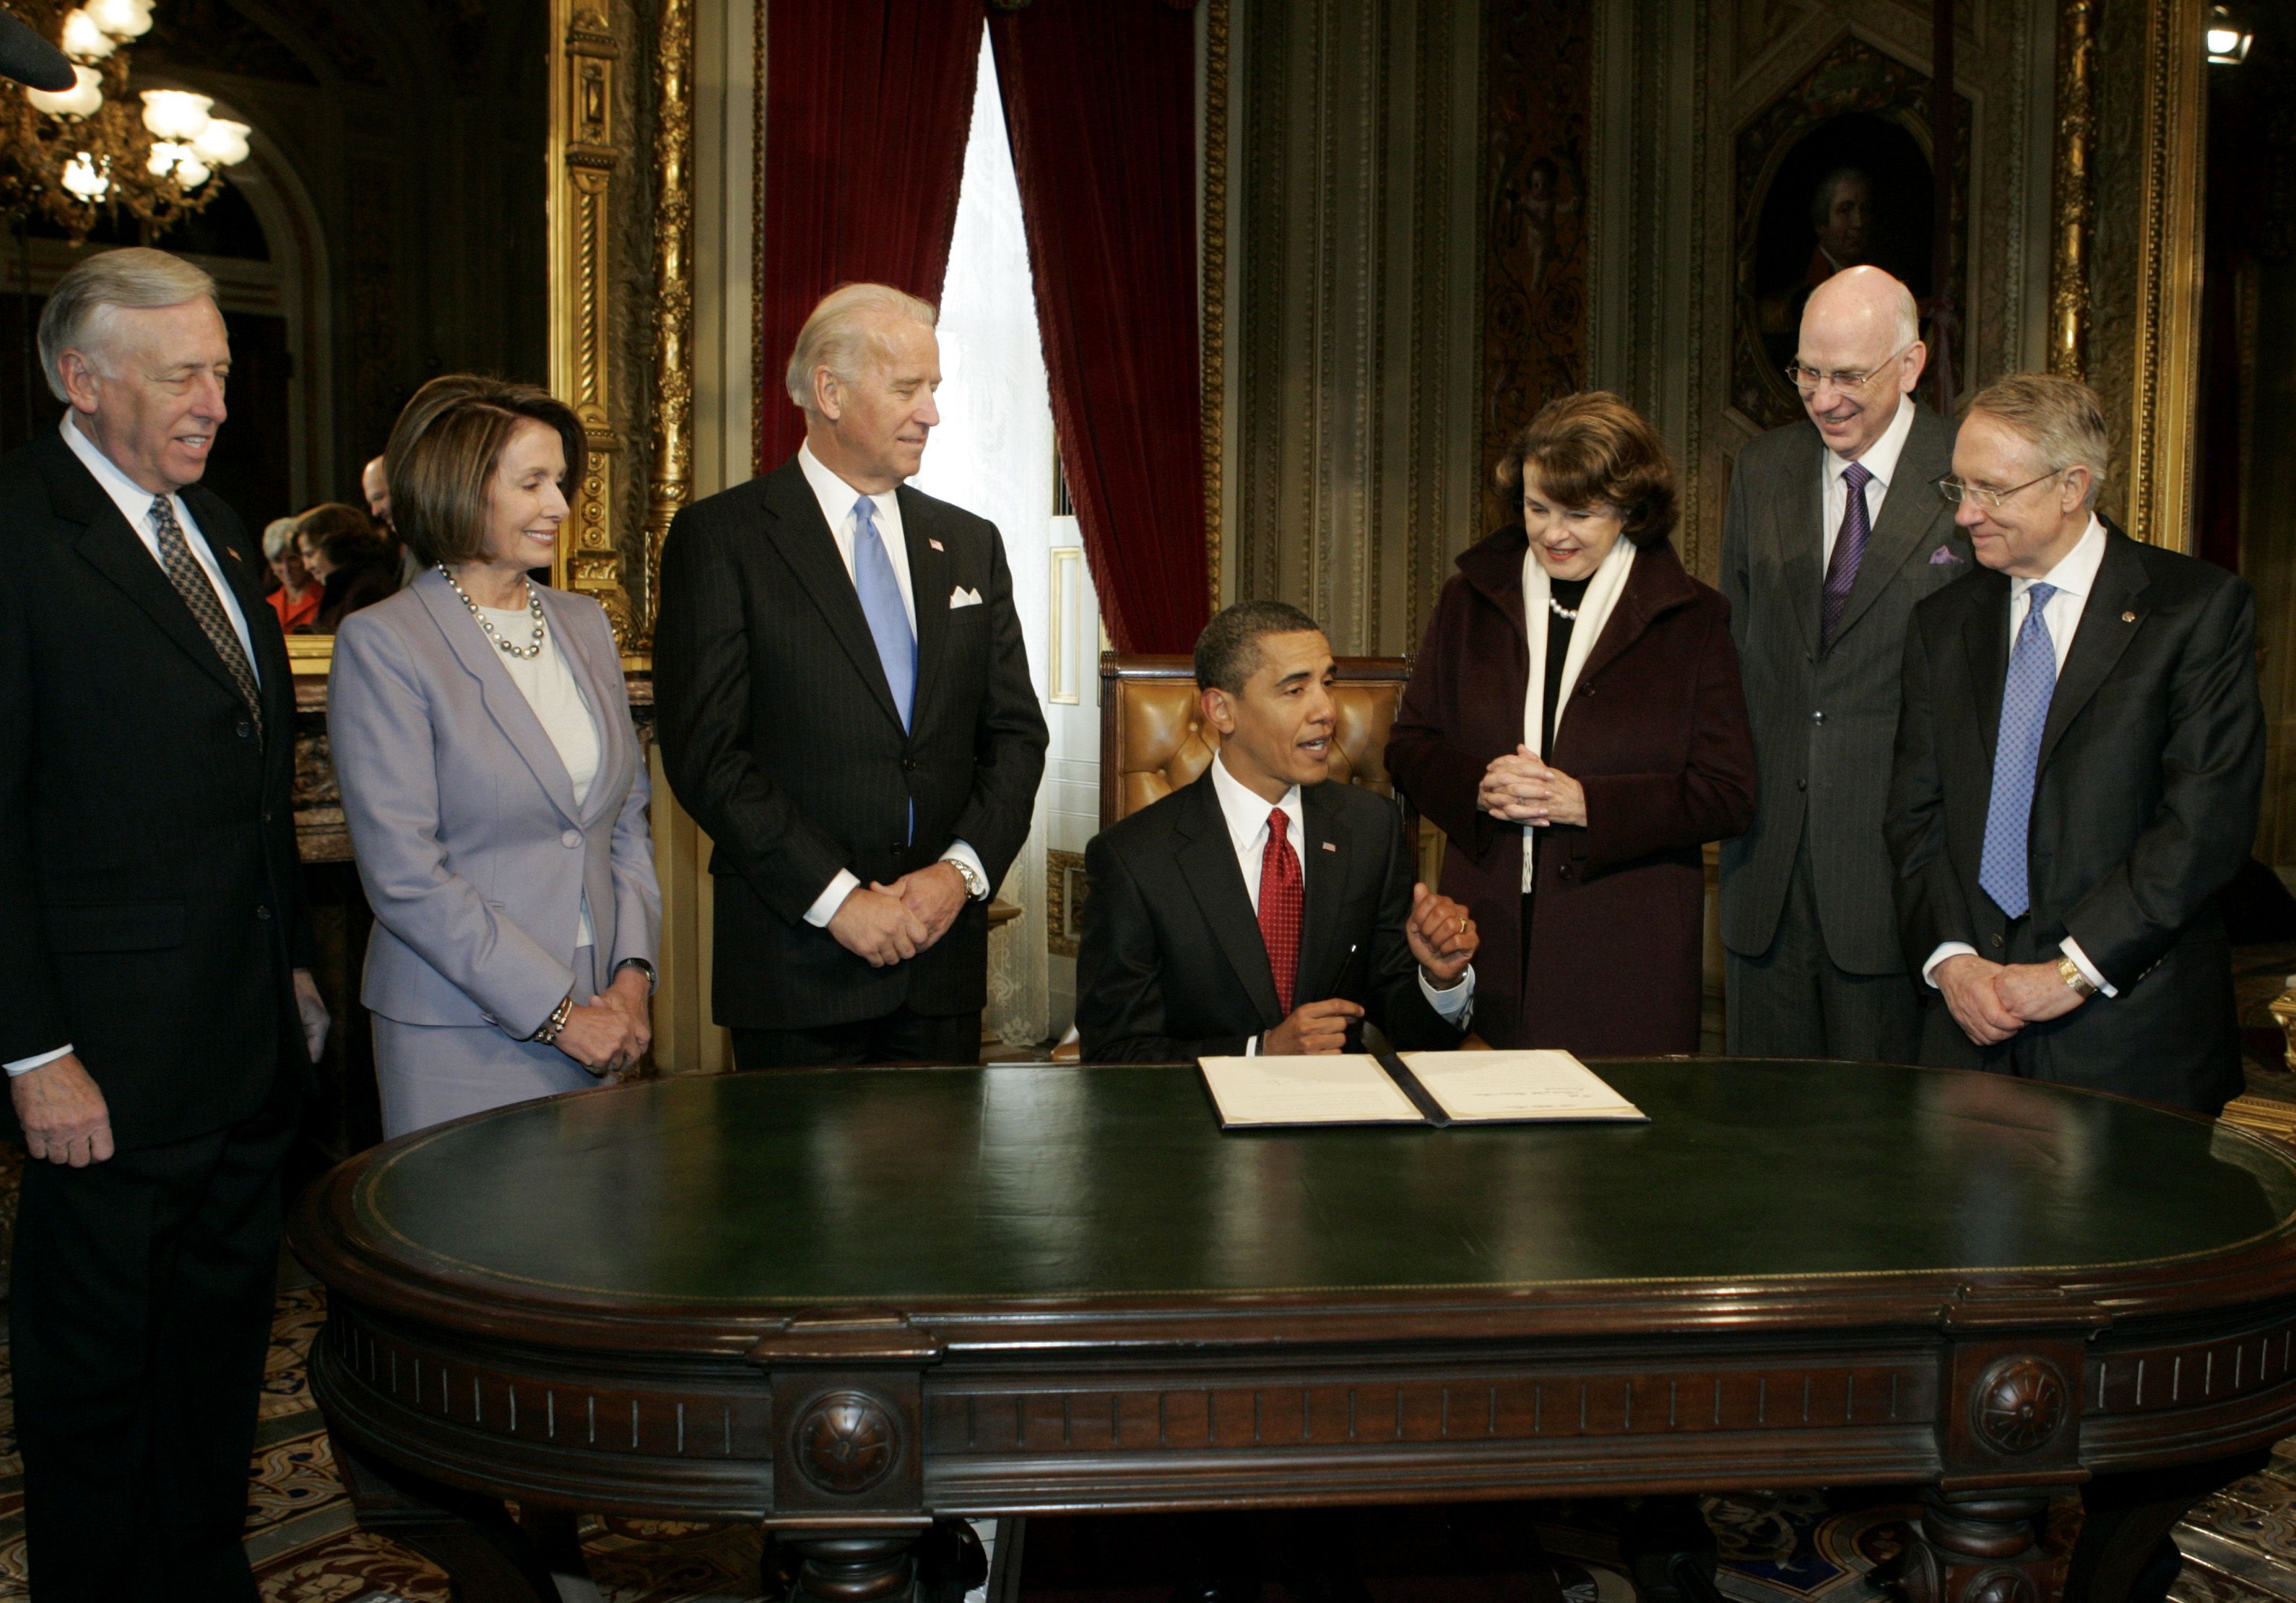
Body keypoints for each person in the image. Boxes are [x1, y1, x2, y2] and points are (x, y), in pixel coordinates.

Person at [0, 246, 327, 1601]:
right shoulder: (17, 533)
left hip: (239, 1047)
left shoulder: (220, 524)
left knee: (210, 1371)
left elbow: (248, 789)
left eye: (224, 371)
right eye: (182, 372)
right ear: (84, 380)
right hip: (104, 1066)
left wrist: (294, 968)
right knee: (93, 1394)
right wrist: (32, 1055)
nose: (214, 399)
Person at [654, 283, 1047, 1069]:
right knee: (795, 1198)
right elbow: (708, 756)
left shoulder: (970, 544)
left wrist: (959, 875)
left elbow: (1014, 736)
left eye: (933, 389)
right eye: (908, 389)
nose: (930, 413)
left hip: (939, 967)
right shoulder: (723, 538)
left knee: (942, 1198)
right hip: (794, 971)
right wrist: (838, 901)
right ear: (828, 393)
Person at [1886, 373, 2263, 1116]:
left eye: (1991, 490)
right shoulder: (1941, 623)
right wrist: (1953, 963)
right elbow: (1912, 815)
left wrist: (2069, 971)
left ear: (2071, 487)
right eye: (1955, 487)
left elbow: (2200, 826)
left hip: (2133, 1043)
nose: (1964, 514)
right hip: (1968, 1040)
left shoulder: (2192, 610)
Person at [329, 374, 659, 1139]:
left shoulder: (583, 625)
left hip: (610, 1014)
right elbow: (405, 876)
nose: (561, 507)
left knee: (599, 1254)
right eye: (533, 483)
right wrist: (557, 1014)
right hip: (459, 1025)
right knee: (468, 1254)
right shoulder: (385, 643)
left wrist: (633, 979)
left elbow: (626, 822)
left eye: (561, 482)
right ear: (460, 490)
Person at [1387, 392, 1754, 1054]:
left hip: (1624, 954)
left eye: (1579, 513)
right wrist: (1476, 786)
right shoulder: (1467, 600)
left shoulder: (1693, 621)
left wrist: (1589, 805)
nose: (1553, 533)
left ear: (1630, 511)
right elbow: (1410, 746)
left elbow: (1727, 793)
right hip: (1485, 932)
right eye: (1537, 508)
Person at [1719, 265, 1968, 1063]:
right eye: (1807, 373)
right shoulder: (1761, 472)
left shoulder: (1966, 473)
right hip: (1766, 878)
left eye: (1847, 376)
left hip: (1896, 881)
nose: (1823, 399)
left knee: (1885, 1156)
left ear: (1910, 363)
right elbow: (1737, 655)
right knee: (1760, 1149)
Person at [1079, 601, 1479, 1061]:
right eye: (1295, 691)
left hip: (1338, 1119)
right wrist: (1259, 1052)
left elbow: (1406, 1025)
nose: (1327, 710)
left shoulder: (1370, 828)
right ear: (1222, 711)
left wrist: (1440, 979)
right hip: (1200, 1125)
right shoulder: (1134, 858)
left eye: (1327, 684)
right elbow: (1114, 1056)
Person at [298, 500, 398, 631]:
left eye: (310, 554)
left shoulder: (366, 593)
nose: (307, 566)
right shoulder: (353, 588)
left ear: (335, 546)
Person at [363, 449, 421, 586]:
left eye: (378, 497)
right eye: (371, 503)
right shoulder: (411, 548)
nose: (375, 512)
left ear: (407, 486)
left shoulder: (445, 550)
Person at [261, 513, 320, 631]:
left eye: (292, 559)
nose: (286, 568)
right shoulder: (266, 606)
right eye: (278, 560)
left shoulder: (328, 600)